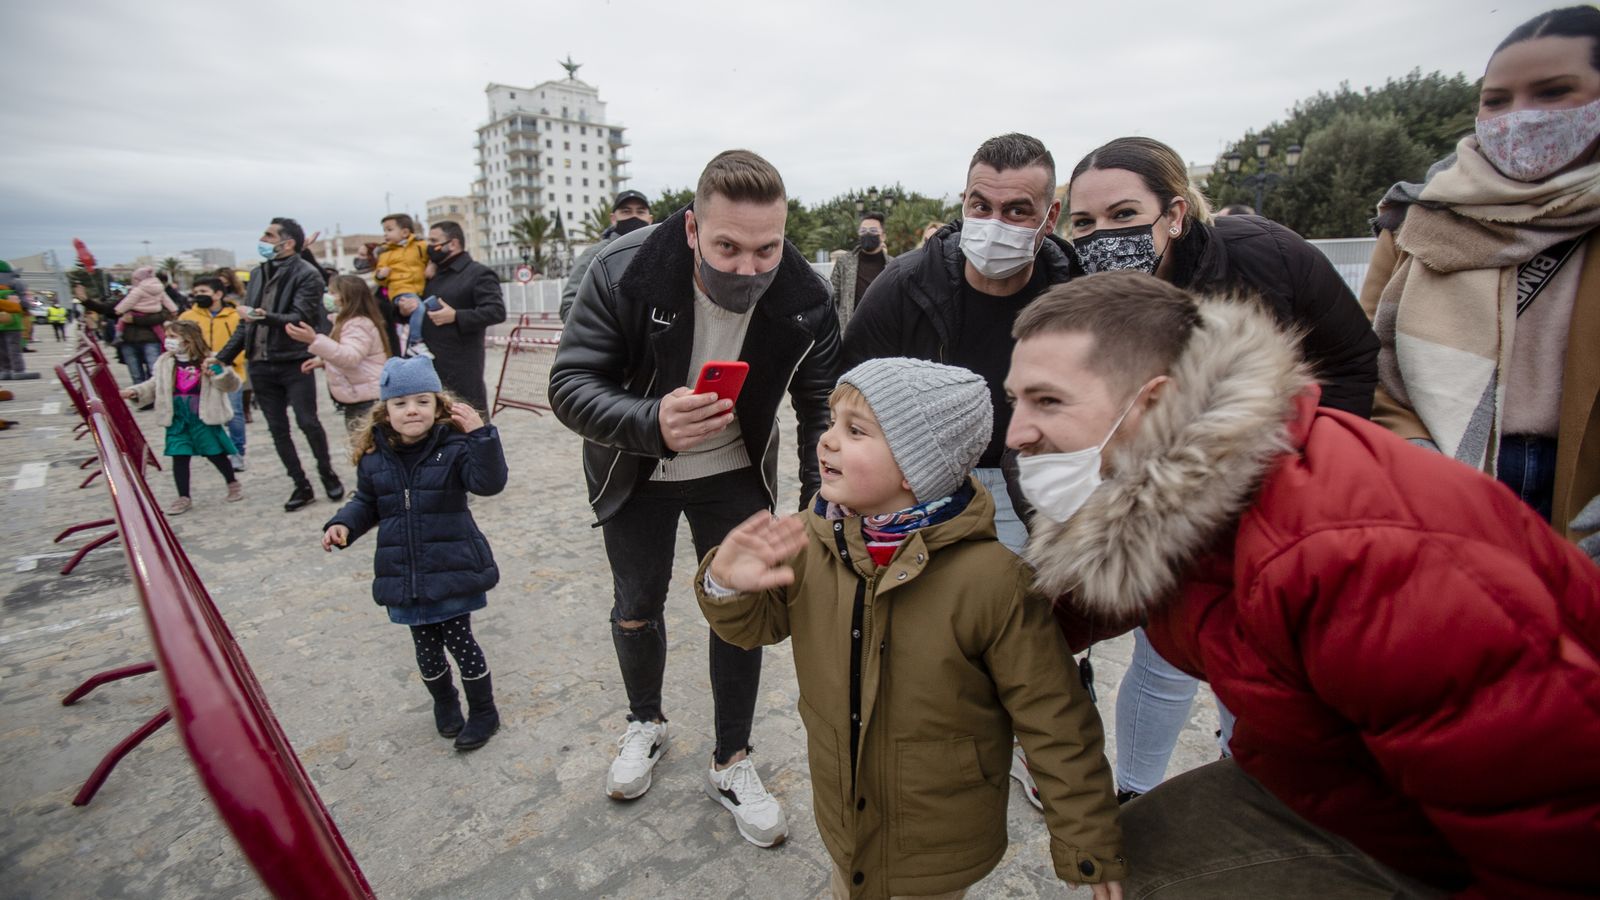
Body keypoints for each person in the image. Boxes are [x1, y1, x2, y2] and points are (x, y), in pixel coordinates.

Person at [1006, 271, 1600, 899]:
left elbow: (1556, 825)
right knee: (1139, 857)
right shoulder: (1187, 484)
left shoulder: (1352, 557)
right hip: (1338, 776)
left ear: (1153, 403)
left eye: (1048, 401)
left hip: (1449, 832)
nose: (1016, 433)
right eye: (1015, 399)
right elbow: (1092, 593)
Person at [697, 358, 1126, 900]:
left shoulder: (994, 581)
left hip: (935, 841)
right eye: (831, 422)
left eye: (856, 431)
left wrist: (1090, 845)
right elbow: (754, 628)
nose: (826, 440)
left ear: (913, 468)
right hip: (845, 818)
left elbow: (1055, 720)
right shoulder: (811, 539)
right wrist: (726, 584)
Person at [1063, 135, 1381, 803]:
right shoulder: (1092, 294)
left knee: (1253, 648)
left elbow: (1348, 358)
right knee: (1165, 648)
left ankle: (1252, 786)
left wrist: (1308, 464)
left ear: (1176, 213)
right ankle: (1135, 793)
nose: (1103, 235)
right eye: (1084, 222)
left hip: (1277, 476)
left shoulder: (1260, 258)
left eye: (1124, 214)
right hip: (1175, 481)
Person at [549, 149, 840, 847]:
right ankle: (644, 722)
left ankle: (731, 760)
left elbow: (822, 404)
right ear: (691, 229)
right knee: (636, 605)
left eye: (767, 248)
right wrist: (651, 420)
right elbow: (570, 384)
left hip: (735, 471)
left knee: (740, 609)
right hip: (636, 468)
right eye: (727, 247)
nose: (748, 268)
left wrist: (820, 504)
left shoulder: (805, 295)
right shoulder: (622, 270)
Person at [1363, 5, 1600, 566]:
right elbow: (1363, 357)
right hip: (1436, 480)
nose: (1520, 116)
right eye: (1496, 100)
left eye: (1553, 92)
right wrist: (1417, 459)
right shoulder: (1418, 218)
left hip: (1579, 486)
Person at [845, 134, 1070, 555]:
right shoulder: (905, 285)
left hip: (1035, 485)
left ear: (1050, 215)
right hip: (921, 485)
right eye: (982, 207)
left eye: (1017, 211)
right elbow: (849, 390)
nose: (995, 224)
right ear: (965, 202)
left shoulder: (1074, 293)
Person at [322, 356, 508, 752]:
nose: (412, 410)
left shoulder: (454, 447)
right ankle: (445, 703)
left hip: (451, 566)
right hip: (404, 573)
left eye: (423, 401)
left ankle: (484, 711)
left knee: (462, 643)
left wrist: (481, 435)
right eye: (401, 403)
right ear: (385, 410)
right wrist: (344, 524)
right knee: (426, 648)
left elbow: (489, 483)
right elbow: (366, 501)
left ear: (438, 406)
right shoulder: (375, 456)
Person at [213, 217, 343, 512]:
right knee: (277, 429)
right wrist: (222, 357)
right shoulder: (258, 273)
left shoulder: (307, 274)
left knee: (308, 422)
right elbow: (246, 324)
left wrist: (261, 316)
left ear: (288, 243)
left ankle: (327, 473)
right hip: (260, 362)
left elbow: (300, 317)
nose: (263, 239)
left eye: (269, 236)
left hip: (293, 360)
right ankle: (300, 484)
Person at [121, 319, 243, 515]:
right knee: (179, 455)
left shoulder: (210, 359)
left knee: (215, 453)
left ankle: (232, 482)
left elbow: (231, 385)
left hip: (202, 417)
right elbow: (155, 384)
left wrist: (219, 373)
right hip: (177, 418)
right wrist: (136, 392)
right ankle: (183, 497)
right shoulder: (165, 361)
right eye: (167, 336)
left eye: (173, 336)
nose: (168, 340)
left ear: (188, 339)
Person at [403, 221, 505, 412]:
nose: (429, 246)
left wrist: (456, 316)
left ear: (453, 244)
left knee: (468, 418)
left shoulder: (478, 273)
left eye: (434, 241)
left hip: (461, 368)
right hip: (429, 367)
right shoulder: (431, 274)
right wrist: (404, 309)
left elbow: (496, 311)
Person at [290, 275, 389, 437]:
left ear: (347, 296)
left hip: (366, 398)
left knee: (366, 444)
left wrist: (314, 340)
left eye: (333, 292)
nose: (328, 297)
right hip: (360, 395)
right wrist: (322, 361)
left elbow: (350, 357)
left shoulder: (357, 324)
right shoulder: (346, 322)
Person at [180, 277, 248, 471]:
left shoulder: (234, 316)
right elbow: (181, 343)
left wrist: (228, 360)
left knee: (234, 414)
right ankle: (217, 451)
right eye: (196, 292)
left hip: (230, 371)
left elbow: (244, 341)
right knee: (205, 413)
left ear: (218, 294)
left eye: (203, 291)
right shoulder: (187, 317)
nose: (198, 296)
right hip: (199, 372)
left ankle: (237, 452)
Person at [560, 189, 656, 323]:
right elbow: (570, 306)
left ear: (650, 219)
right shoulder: (596, 254)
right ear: (613, 218)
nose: (634, 217)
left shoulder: (661, 252)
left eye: (640, 212)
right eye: (626, 212)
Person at [373, 214, 431, 355]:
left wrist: (431, 265)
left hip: (418, 288)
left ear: (405, 232)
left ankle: (415, 341)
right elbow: (379, 277)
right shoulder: (386, 253)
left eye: (389, 230)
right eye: (384, 231)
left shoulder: (420, 246)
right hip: (400, 289)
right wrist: (381, 275)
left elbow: (432, 255)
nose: (385, 234)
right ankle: (415, 342)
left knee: (421, 309)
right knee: (418, 308)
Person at [827, 211, 893, 332]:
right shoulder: (844, 263)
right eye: (863, 231)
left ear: (883, 236)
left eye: (873, 230)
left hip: (883, 333)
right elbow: (832, 297)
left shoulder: (893, 266)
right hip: (850, 333)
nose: (867, 234)